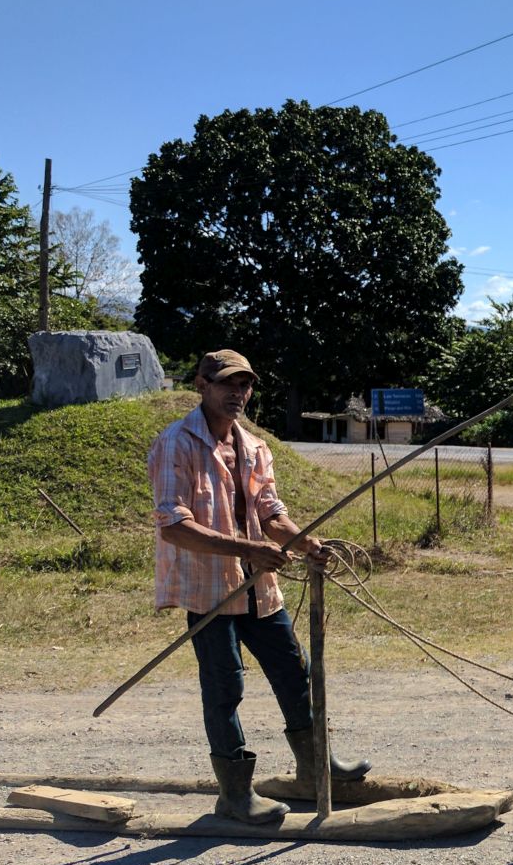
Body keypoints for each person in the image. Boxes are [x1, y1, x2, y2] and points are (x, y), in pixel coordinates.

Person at [148, 349, 370, 823]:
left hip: (260, 589)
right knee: (224, 687)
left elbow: (271, 513)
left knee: (295, 672)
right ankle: (234, 795)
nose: (238, 393)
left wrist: (305, 543)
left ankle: (314, 768)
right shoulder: (176, 443)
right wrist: (245, 548)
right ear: (201, 385)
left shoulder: (254, 447)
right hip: (210, 591)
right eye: (227, 383)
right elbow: (174, 526)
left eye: (245, 384)